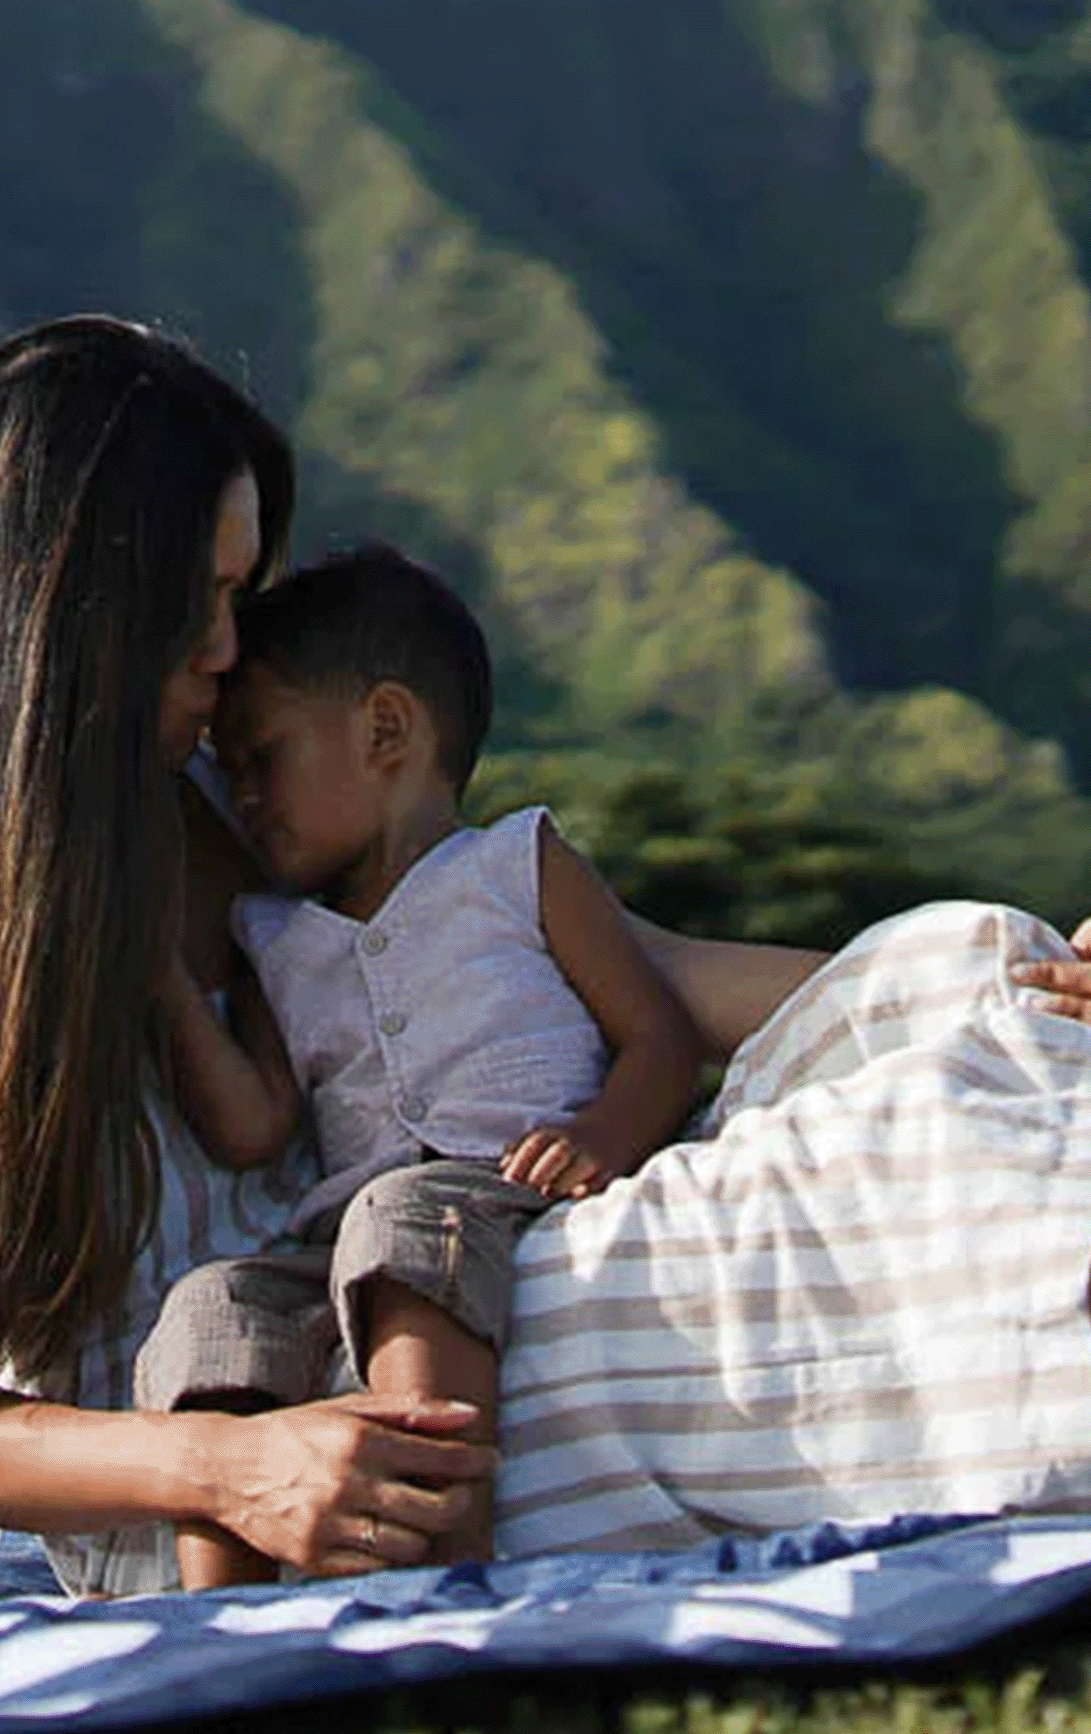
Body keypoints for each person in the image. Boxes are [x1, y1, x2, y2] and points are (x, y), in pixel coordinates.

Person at [0, 315, 1091, 1599]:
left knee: (976, 990)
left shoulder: (221, 803)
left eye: (237, 598)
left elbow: (632, 972)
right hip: (284, 1429)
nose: (223, 652)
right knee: (902, 1187)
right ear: (64, 606)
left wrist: (1030, 1002)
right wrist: (239, 1462)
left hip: (471, 1258)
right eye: (193, 604)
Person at [134, 545, 707, 1584]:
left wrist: (599, 1140)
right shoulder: (275, 936)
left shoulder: (517, 867)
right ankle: (212, 1620)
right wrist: (167, 980)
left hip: (506, 1185)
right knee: (215, 1300)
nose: (245, 800)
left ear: (386, 730)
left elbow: (659, 1036)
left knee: (406, 1214)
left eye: (261, 760)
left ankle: (437, 1564)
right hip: (343, 1230)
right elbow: (255, 1124)